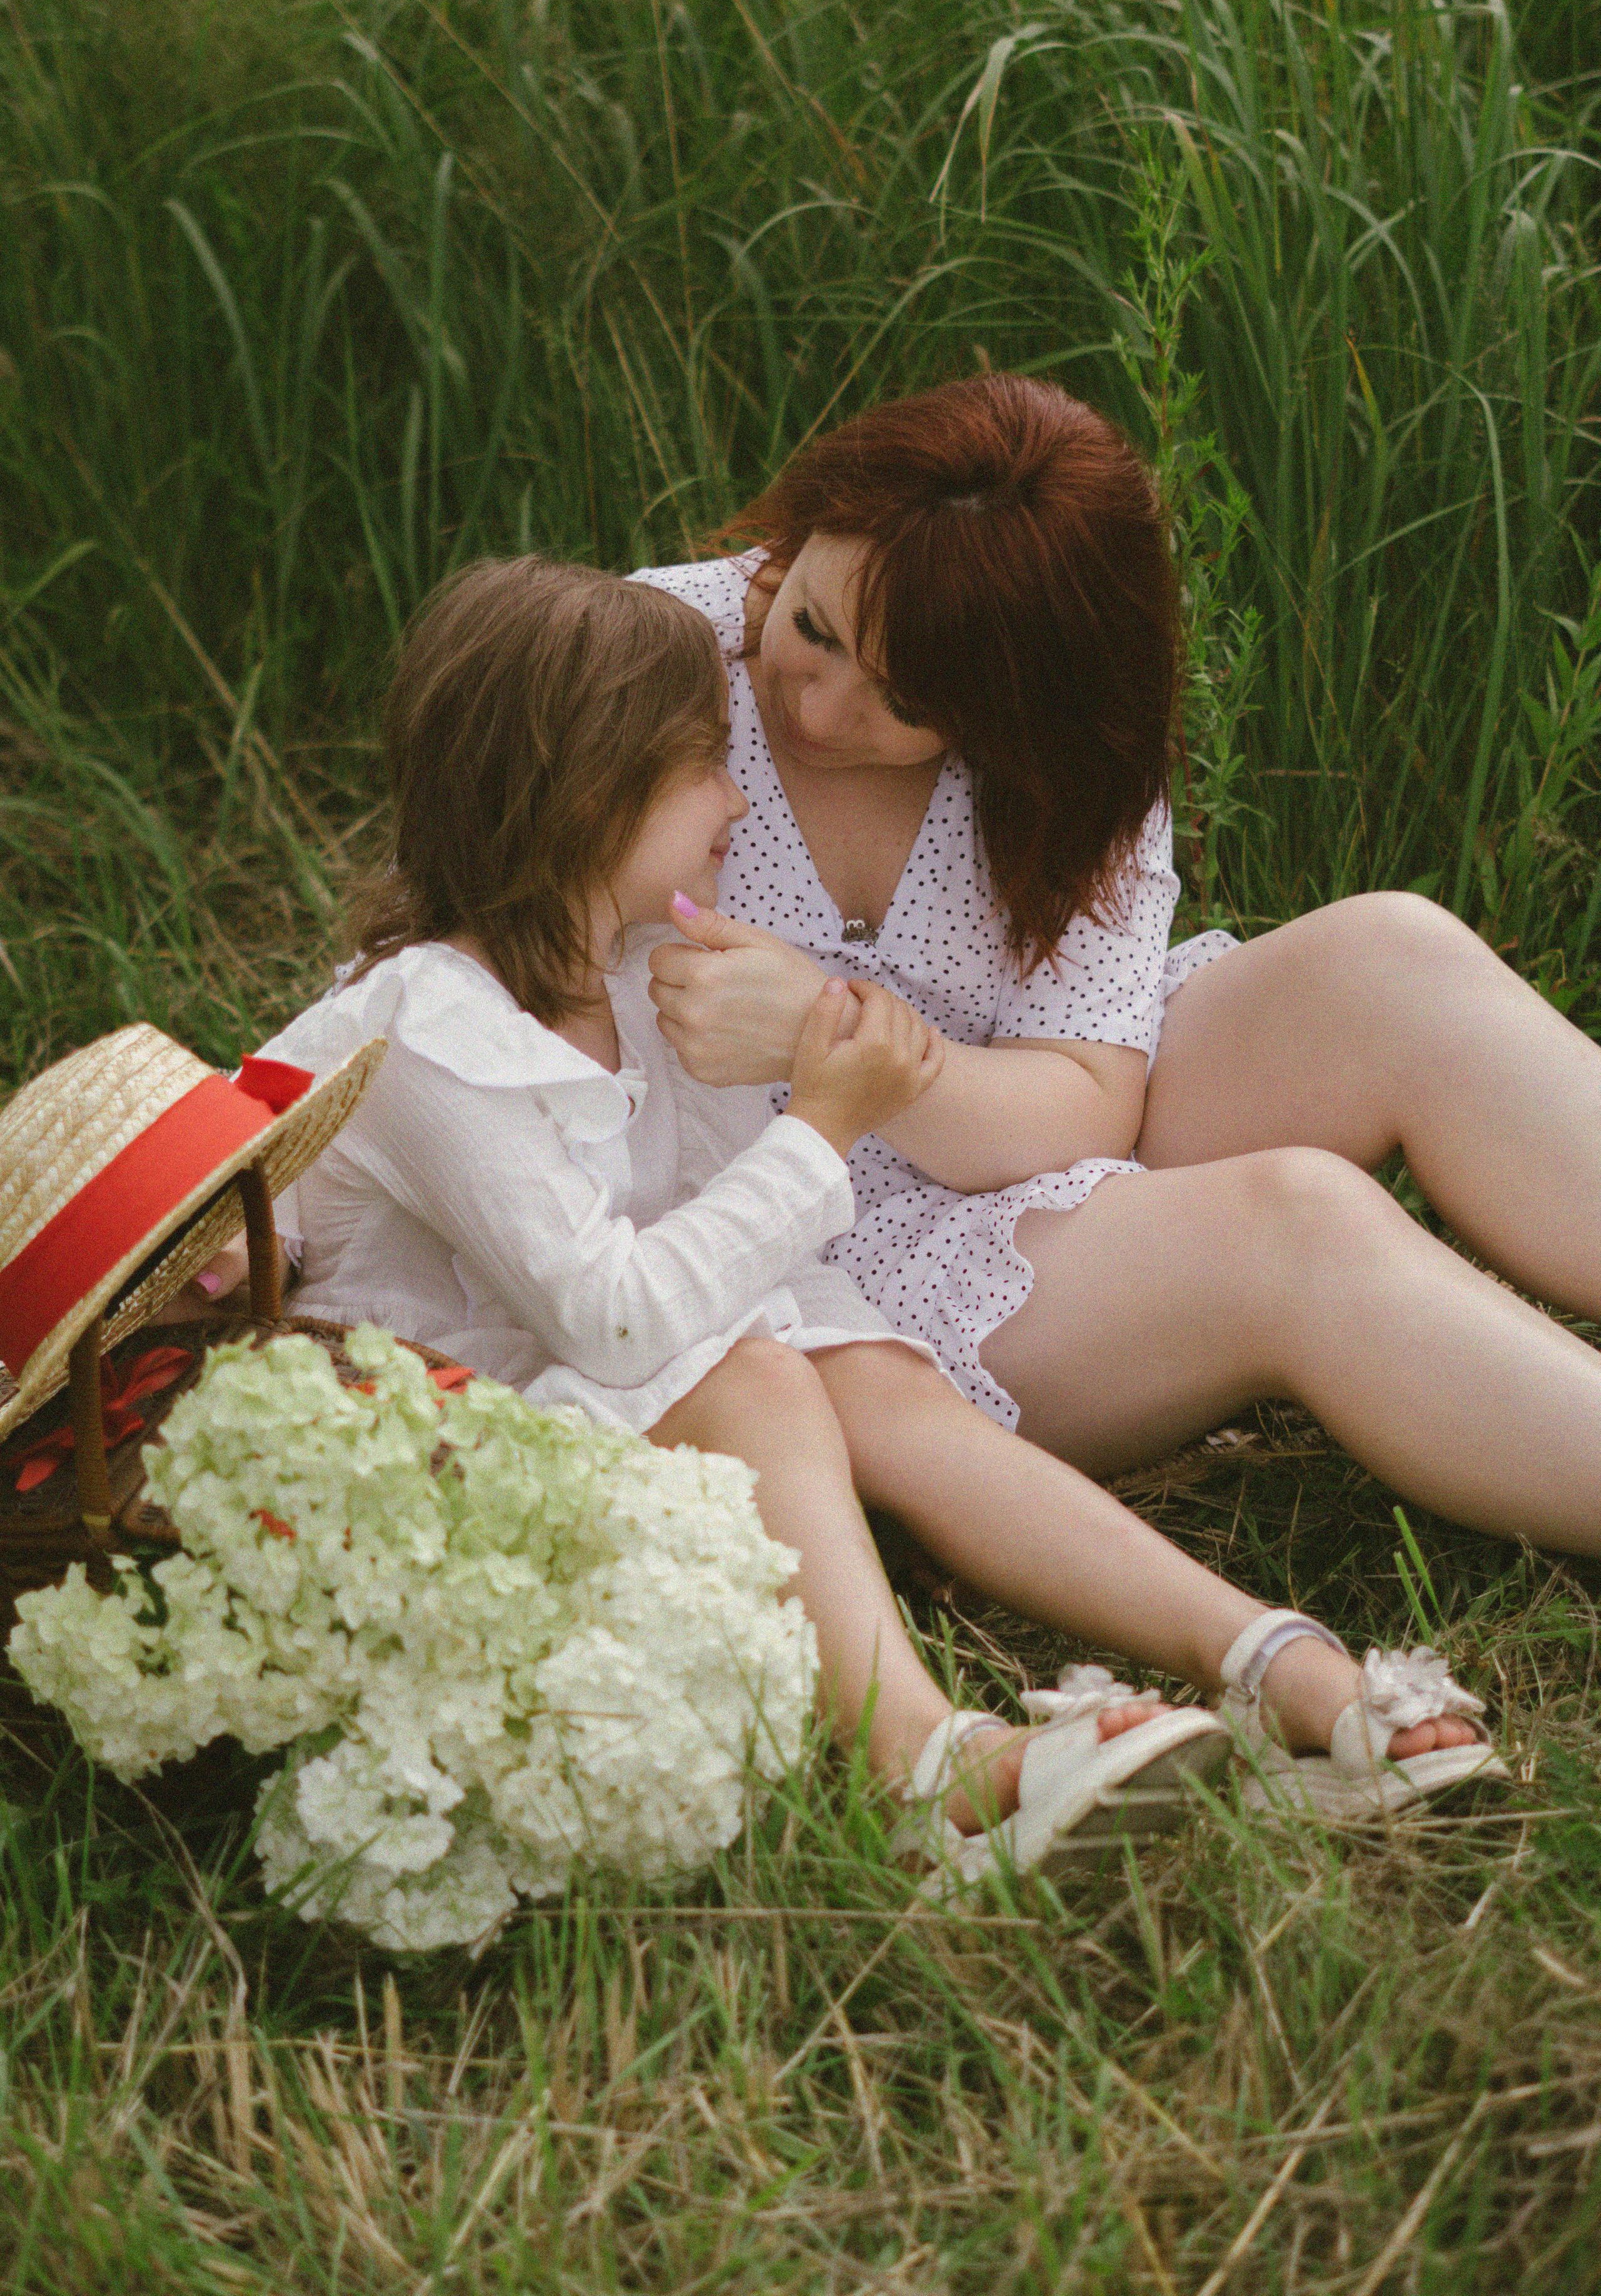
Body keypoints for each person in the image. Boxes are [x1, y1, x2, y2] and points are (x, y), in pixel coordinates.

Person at [246, 555, 1497, 1882]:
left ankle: (1267, 1658)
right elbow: (611, 1319)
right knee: (760, 1378)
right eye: (702, 766)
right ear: (591, 797)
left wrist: (878, 1370)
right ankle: (931, 1771)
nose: (741, 795)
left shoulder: (652, 976)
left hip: (624, 1394)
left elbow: (759, 1265)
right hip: (461, 1467)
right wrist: (824, 1126)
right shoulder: (427, 1030)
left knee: (874, 1378)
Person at [629, 371, 1601, 1559]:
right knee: (1299, 1225)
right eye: (815, 629)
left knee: (1391, 961)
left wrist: (823, 1033)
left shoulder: (1069, 756)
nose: (822, 712)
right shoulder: (641, 662)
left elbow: (1088, 1102)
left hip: (1032, 1129)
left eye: (907, 701)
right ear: (812, 521)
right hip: (803, 1252)